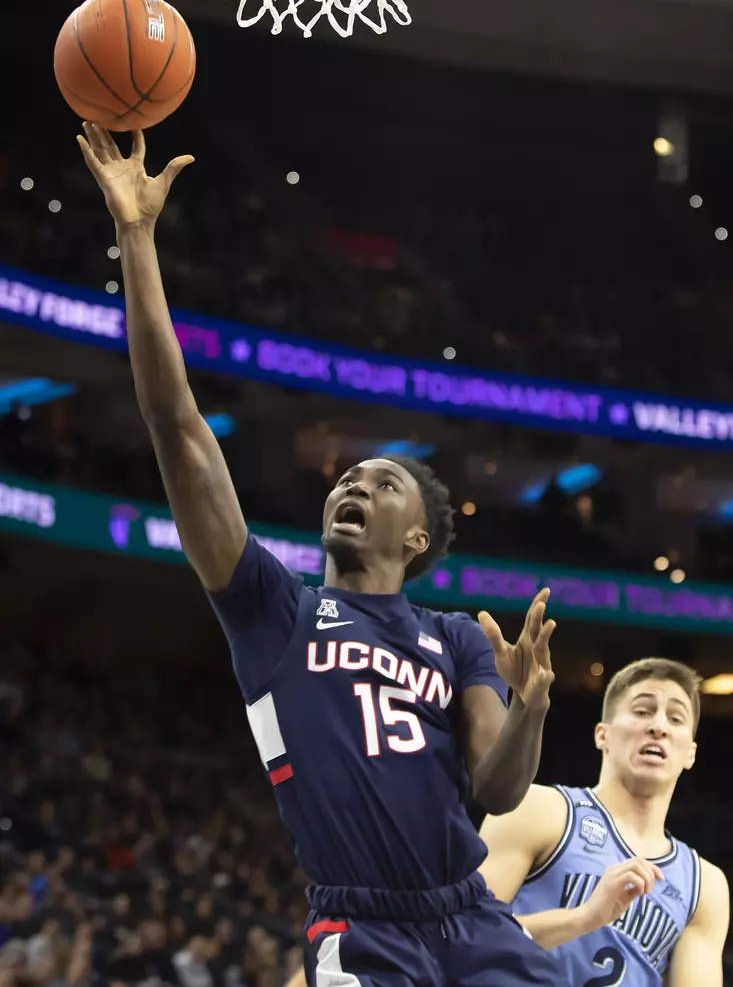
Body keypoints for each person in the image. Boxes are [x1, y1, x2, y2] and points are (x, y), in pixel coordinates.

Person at [77, 123, 558, 986]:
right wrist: (136, 237)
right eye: (347, 477)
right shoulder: (274, 607)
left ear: (416, 538)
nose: (353, 485)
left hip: (470, 914)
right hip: (361, 925)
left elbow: (497, 792)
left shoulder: (456, 639)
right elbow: (176, 425)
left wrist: (527, 707)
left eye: (382, 483)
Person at [478, 657, 729, 986]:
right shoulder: (540, 809)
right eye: (642, 711)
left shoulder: (704, 886)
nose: (659, 727)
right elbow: (465, 936)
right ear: (602, 735)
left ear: (691, 754)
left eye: (676, 718)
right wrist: (582, 918)